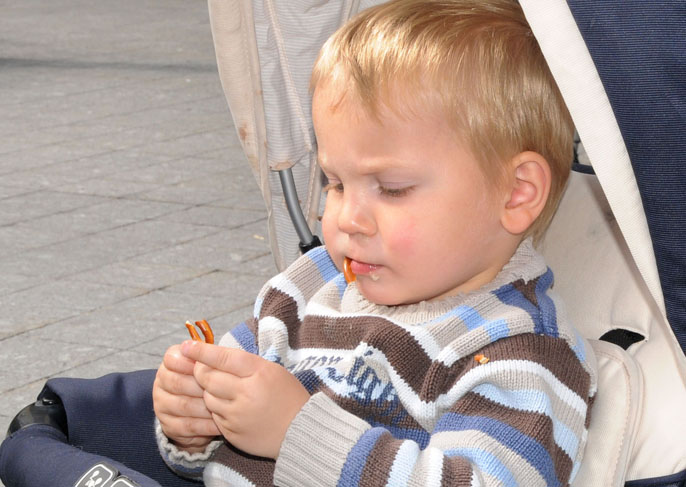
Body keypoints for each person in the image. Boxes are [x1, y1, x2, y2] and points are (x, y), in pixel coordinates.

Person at [152, 0, 597, 485]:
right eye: (335, 183)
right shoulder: (308, 287)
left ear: (516, 193)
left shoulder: (516, 351)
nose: (346, 218)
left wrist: (297, 433)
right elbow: (218, 441)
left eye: (391, 189)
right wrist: (193, 423)